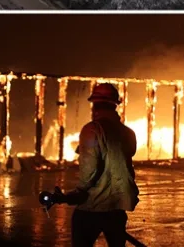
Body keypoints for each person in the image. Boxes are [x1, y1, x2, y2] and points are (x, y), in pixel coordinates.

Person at [65, 83, 139, 247]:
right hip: (118, 207)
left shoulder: (92, 130)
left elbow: (89, 171)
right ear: (115, 105)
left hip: (92, 207)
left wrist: (79, 192)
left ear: (95, 105)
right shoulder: (128, 133)